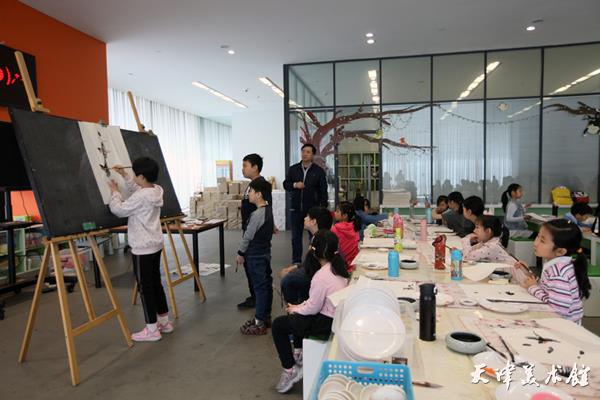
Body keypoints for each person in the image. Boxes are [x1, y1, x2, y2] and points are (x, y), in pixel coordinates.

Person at [271, 230, 349, 394]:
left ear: (314, 251)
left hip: (325, 323)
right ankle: (299, 353)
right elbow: (314, 303)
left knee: (279, 325)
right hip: (333, 318)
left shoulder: (321, 276)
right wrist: (298, 307)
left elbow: (313, 307)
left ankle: (289, 369)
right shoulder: (339, 268)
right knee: (297, 312)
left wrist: (294, 308)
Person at [108, 158, 172, 342]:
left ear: (142, 176)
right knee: (156, 284)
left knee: (145, 288)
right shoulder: (156, 190)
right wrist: (125, 175)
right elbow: (138, 189)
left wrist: (115, 193)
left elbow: (119, 210)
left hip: (142, 249)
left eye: (136, 175)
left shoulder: (141, 196)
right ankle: (164, 322)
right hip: (155, 245)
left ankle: (151, 330)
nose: (134, 177)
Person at [515, 219, 591, 324]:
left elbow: (558, 310)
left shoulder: (559, 273)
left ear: (560, 251)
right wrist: (528, 272)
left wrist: (533, 288)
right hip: (556, 322)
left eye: (542, 241)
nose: (535, 243)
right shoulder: (558, 266)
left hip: (563, 327)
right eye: (538, 236)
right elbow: (547, 287)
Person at [236, 179, 274, 335]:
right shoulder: (268, 210)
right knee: (266, 285)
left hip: (255, 255)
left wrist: (240, 253)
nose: (248, 194)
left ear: (259, 194)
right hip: (265, 253)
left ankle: (259, 322)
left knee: (259, 288)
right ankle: (265, 317)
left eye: (250, 191)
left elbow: (248, 236)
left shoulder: (257, 214)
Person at [237, 153, 273, 310]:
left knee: (255, 268)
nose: (242, 169)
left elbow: (266, 207)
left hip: (254, 234)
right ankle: (255, 297)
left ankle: (259, 301)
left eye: (245, 165)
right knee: (250, 268)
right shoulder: (252, 184)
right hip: (250, 230)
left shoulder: (261, 185)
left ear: (255, 167)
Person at [283, 144, 328, 264]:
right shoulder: (293, 169)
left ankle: (313, 260)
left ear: (312, 155)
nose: (305, 154)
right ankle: (296, 261)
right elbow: (286, 184)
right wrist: (295, 185)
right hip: (296, 209)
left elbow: (323, 192)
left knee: (314, 237)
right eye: (303, 151)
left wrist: (322, 210)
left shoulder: (319, 171)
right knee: (295, 237)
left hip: (312, 211)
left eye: (308, 152)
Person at [279, 207, 333, 305]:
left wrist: (291, 272)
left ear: (314, 221)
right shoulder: (318, 236)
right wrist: (294, 268)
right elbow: (310, 261)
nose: (304, 218)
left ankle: (296, 307)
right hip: (314, 271)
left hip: (317, 275)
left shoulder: (320, 240)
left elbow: (313, 267)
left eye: (308, 216)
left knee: (287, 280)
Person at [331, 201, 361, 270]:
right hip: (354, 265)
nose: (335, 213)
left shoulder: (335, 229)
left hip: (341, 267)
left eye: (337, 211)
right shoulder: (355, 227)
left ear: (345, 216)